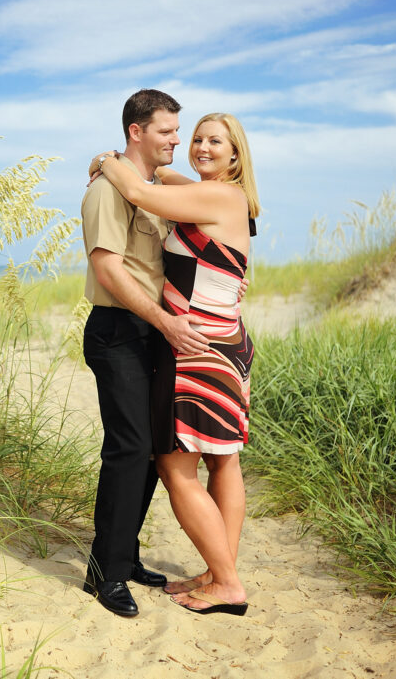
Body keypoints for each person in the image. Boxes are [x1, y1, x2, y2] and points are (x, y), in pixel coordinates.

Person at [90, 112, 259, 616]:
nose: (200, 146)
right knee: (222, 459)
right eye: (197, 138)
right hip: (224, 342)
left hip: (199, 348)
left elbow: (141, 194)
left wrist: (107, 159)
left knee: (173, 464)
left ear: (235, 155)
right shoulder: (220, 194)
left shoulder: (218, 196)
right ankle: (218, 569)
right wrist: (150, 168)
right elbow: (161, 179)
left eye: (215, 142)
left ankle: (226, 583)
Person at [80, 89, 212, 618]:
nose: (177, 141)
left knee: (156, 450)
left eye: (178, 131)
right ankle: (104, 575)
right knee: (129, 449)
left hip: (155, 332)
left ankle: (125, 553)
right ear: (136, 131)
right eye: (167, 131)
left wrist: (164, 327)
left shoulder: (146, 187)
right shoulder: (105, 194)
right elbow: (110, 269)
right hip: (118, 331)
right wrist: (165, 322)